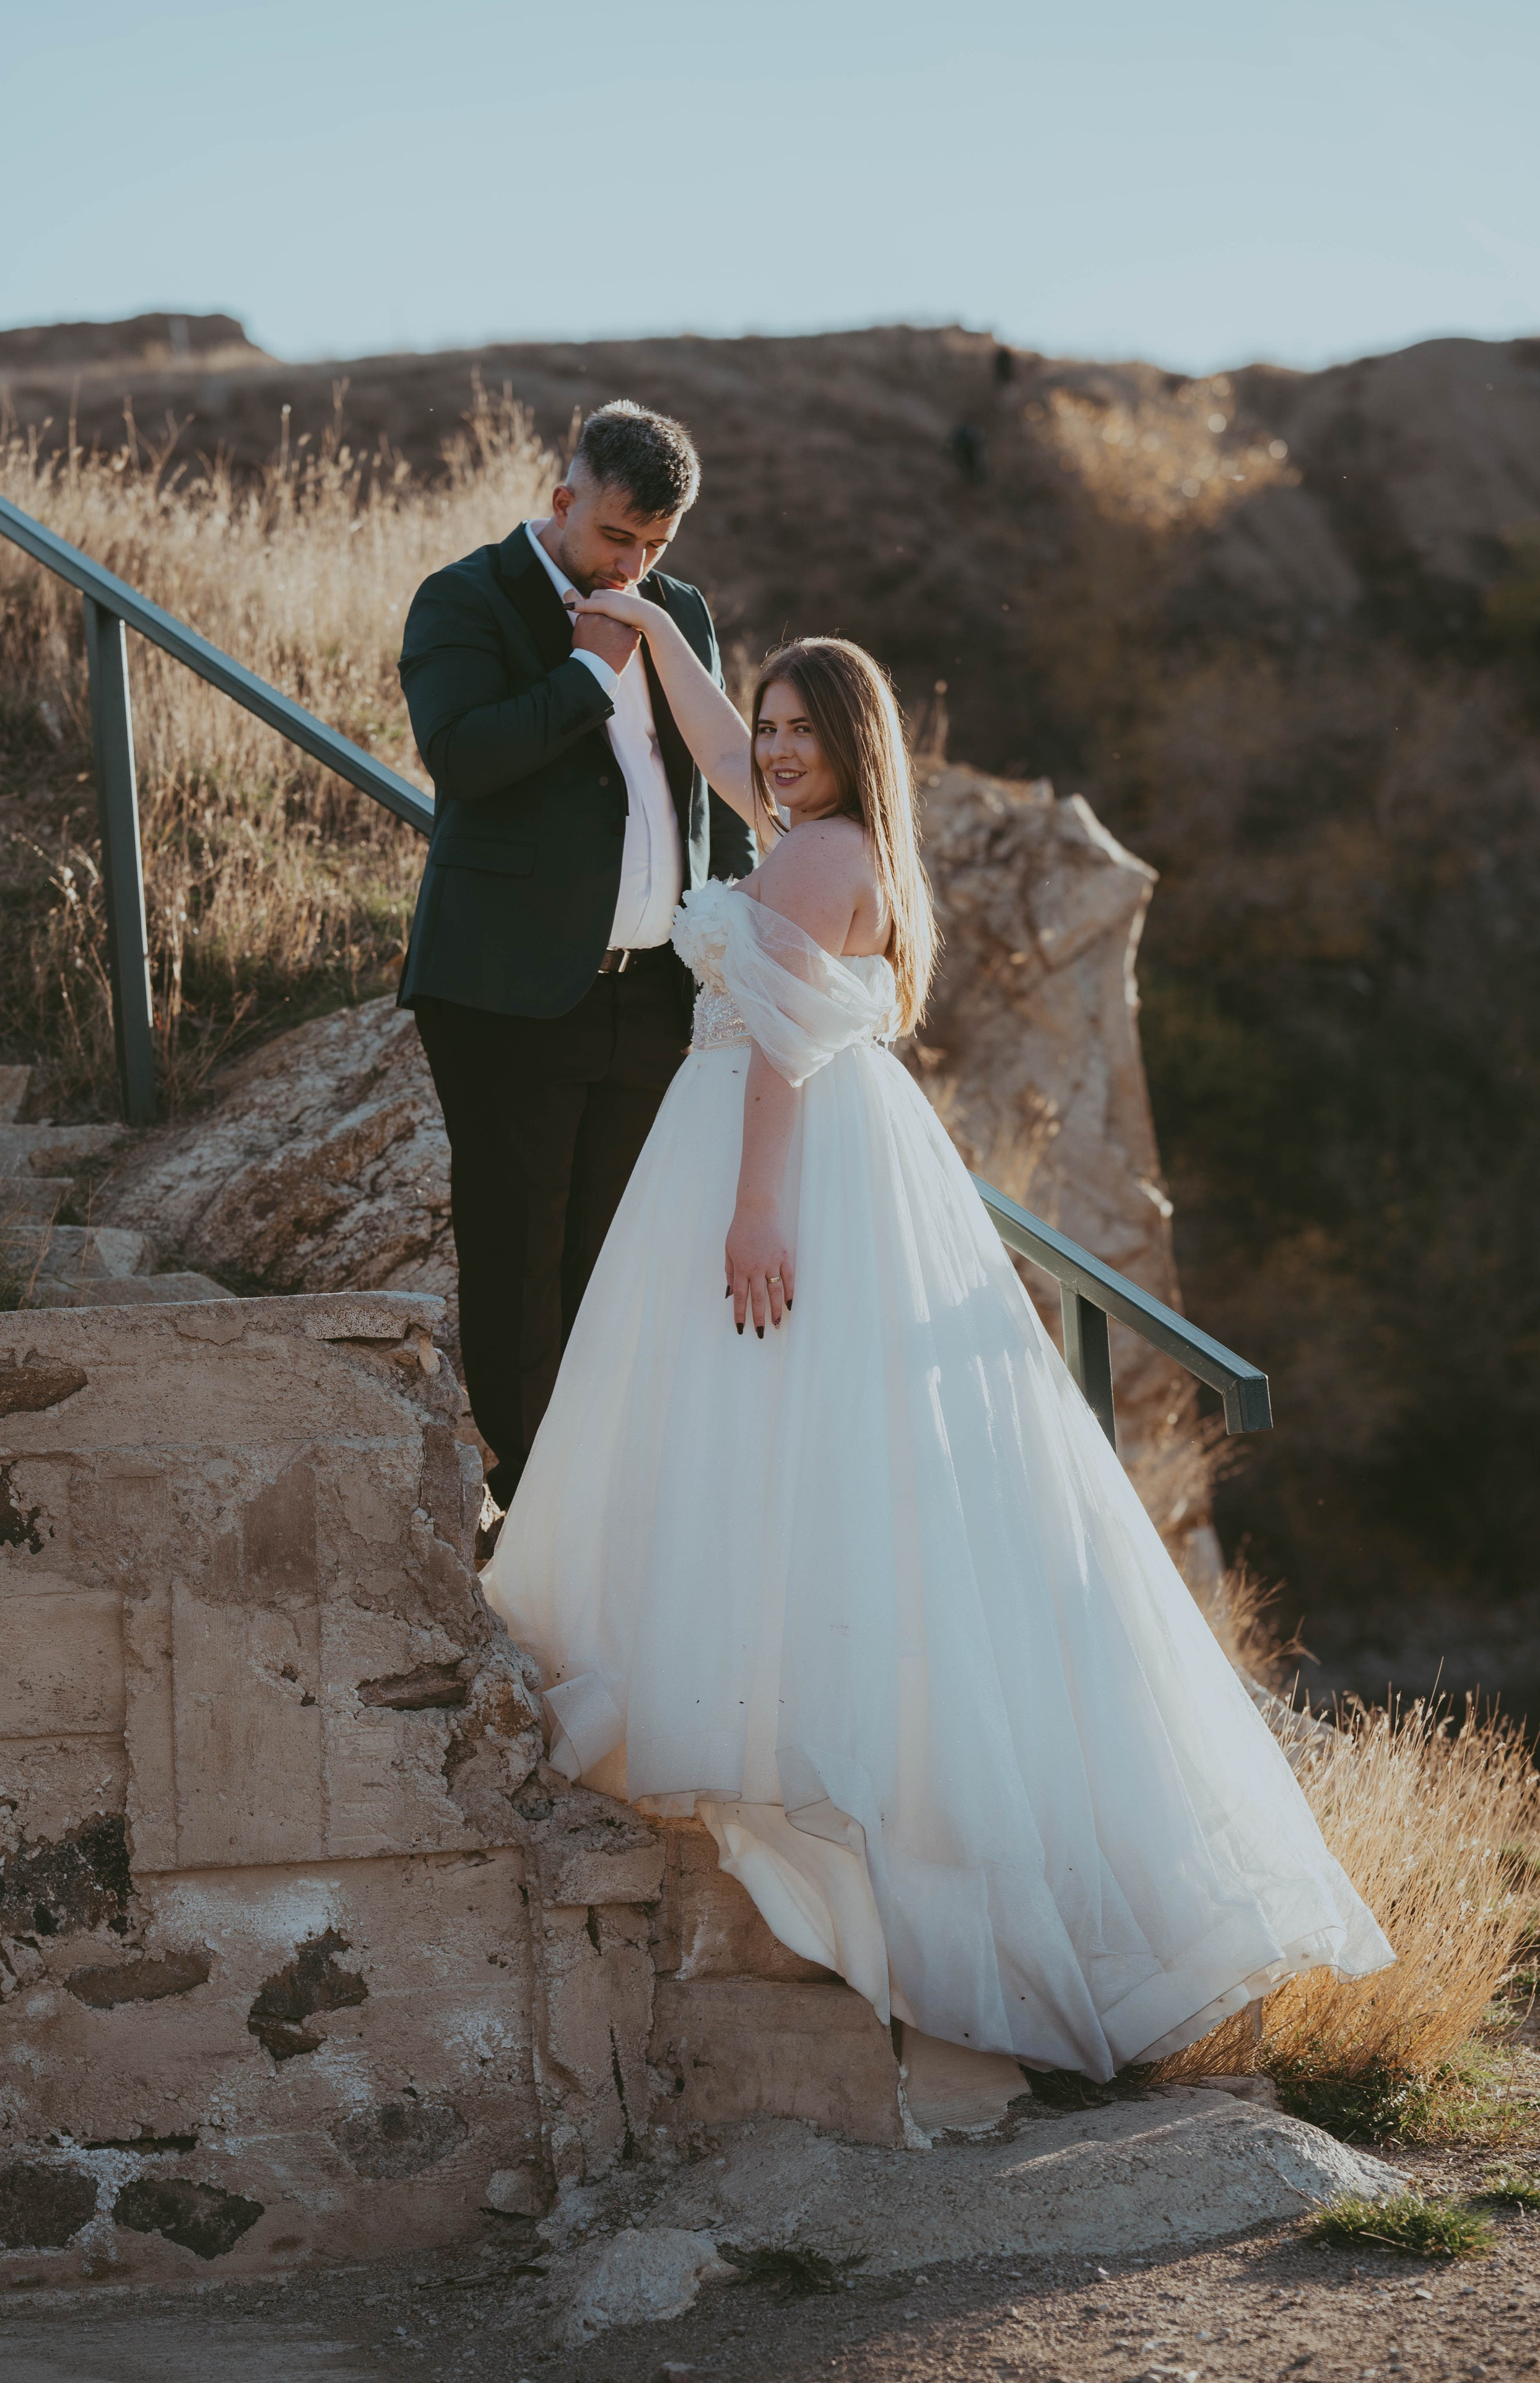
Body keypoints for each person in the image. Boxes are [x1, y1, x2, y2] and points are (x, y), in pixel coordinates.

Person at [481, 611, 1393, 2081]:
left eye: (801, 733)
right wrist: (653, 626)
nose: (773, 753)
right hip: (843, 1149)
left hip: (770, 1158)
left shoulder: (805, 858)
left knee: (757, 1422)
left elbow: (772, 1043)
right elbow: (715, 754)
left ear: (855, 747)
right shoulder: (850, 847)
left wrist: (754, 1211)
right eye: (771, 728)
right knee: (843, 1453)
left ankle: (790, 1754)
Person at [397, 401, 756, 1514]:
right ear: (564, 502)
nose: (636, 566)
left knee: (620, 1254)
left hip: (651, 1001)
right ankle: (533, 1502)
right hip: (509, 995)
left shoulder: (679, 609)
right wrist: (592, 672)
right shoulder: (465, 598)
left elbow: (714, 791)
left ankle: (606, 1503)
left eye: (657, 545)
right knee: (519, 1256)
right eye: (618, 538)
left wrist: (734, 921)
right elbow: (463, 757)